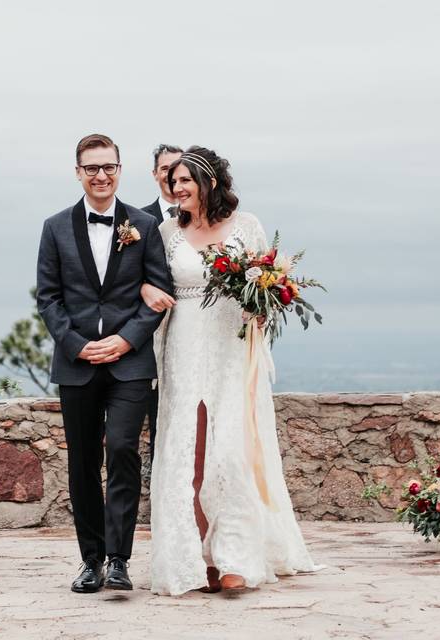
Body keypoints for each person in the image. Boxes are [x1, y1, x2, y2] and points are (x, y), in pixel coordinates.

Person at [143, 146, 317, 596]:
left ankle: (235, 557)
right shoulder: (165, 233)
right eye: (172, 181)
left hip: (231, 346)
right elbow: (149, 279)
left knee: (230, 451)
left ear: (210, 183)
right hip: (183, 346)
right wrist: (145, 286)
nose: (176, 188)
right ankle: (196, 558)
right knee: (190, 456)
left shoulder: (248, 227)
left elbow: (270, 283)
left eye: (184, 181)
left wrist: (263, 305)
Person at [36, 133, 173, 593]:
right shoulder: (55, 227)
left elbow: (157, 293)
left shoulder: (143, 226)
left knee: (121, 451)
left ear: (120, 170)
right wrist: (77, 345)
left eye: (108, 167)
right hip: (77, 364)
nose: (101, 175)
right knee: (82, 461)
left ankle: (120, 559)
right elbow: (49, 297)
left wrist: (123, 340)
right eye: (91, 167)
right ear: (78, 172)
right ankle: (90, 561)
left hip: (129, 364)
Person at [139, 144, 183, 465]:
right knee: (160, 421)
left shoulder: (205, 220)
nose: (172, 175)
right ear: (155, 174)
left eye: (178, 168)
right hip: (153, 337)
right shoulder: (139, 221)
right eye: (165, 168)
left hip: (196, 329)